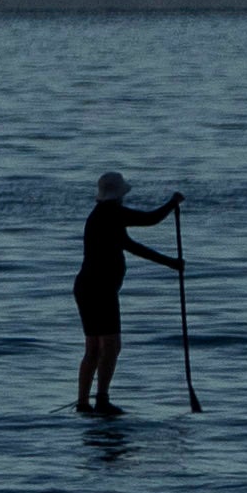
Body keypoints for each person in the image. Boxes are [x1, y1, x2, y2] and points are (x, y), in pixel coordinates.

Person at [72, 171, 181, 413]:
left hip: (87, 288)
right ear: (117, 195)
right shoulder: (112, 214)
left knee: (94, 347)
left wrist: (171, 263)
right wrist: (172, 203)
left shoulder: (100, 217)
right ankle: (100, 399)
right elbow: (150, 219)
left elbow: (133, 247)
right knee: (110, 346)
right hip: (100, 289)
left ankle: (84, 402)